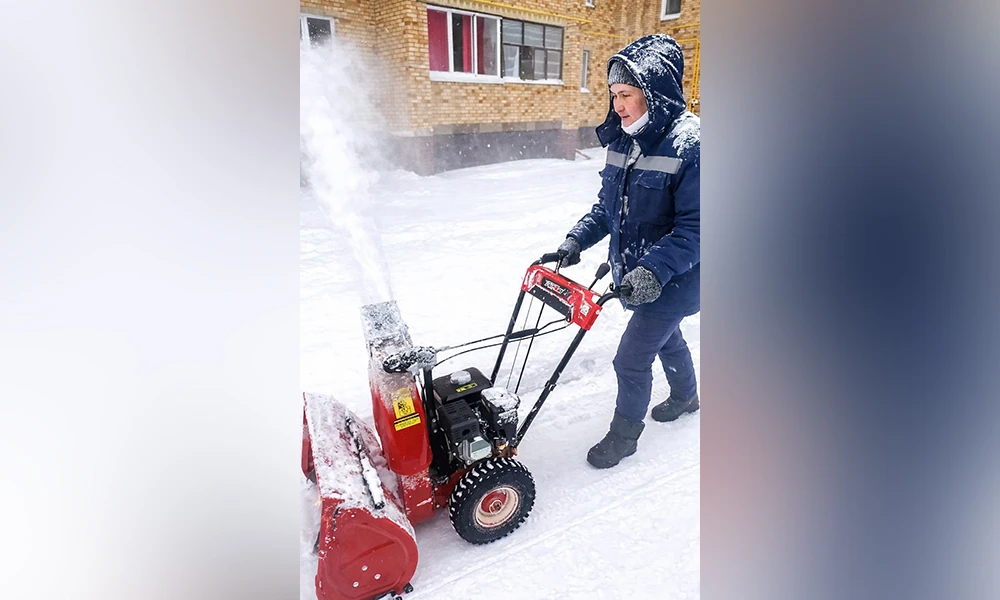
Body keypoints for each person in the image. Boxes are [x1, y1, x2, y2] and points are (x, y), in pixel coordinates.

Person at [555, 33, 700, 469]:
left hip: (674, 279)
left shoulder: (690, 145)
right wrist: (577, 239)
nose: (618, 105)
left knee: (631, 358)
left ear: (653, 93)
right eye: (614, 94)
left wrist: (653, 271)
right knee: (666, 338)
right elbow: (608, 207)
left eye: (627, 94)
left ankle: (624, 437)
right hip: (636, 274)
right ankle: (687, 396)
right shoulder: (623, 139)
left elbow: (698, 227)